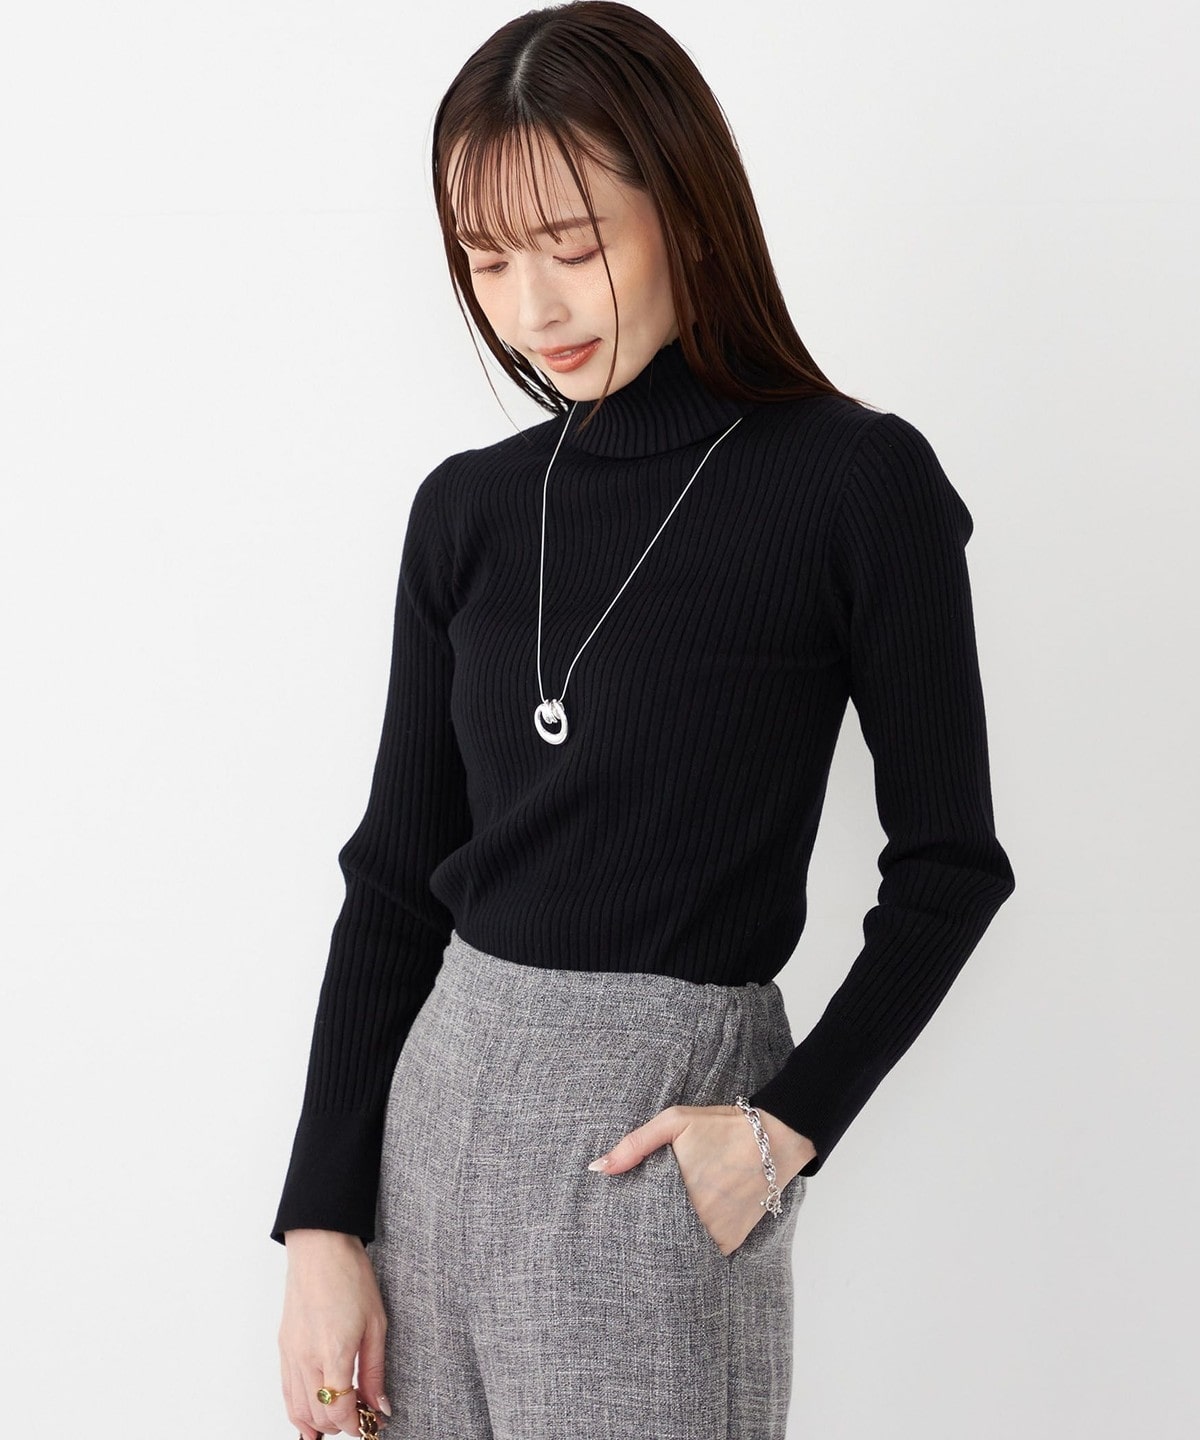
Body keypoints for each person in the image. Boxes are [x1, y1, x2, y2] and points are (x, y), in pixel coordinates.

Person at [271, 3, 1017, 1437]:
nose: (532, 309)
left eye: (572, 245)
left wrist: (785, 1129)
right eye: (488, 258)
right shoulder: (470, 509)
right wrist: (321, 1225)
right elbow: (394, 878)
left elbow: (950, 867)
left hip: (649, 1151)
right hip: (430, 1132)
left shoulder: (855, 485)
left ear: (683, 208)